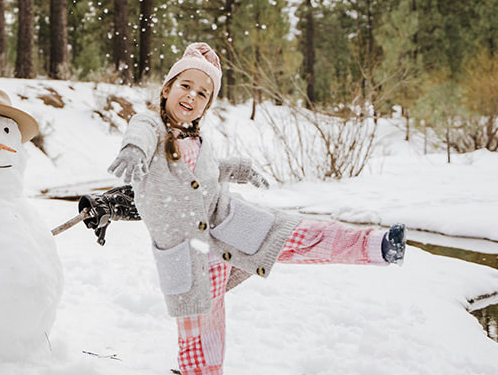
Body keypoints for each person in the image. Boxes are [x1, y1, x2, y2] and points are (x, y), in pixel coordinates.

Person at [96, 42, 406, 375]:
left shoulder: (198, 140)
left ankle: (378, 245)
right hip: (188, 255)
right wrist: (133, 151)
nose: (191, 97)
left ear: (206, 105)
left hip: (231, 222)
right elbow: (139, 133)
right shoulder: (151, 126)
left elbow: (208, 172)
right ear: (167, 88)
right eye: (186, 86)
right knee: (201, 337)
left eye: (203, 94)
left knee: (296, 235)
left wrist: (239, 168)